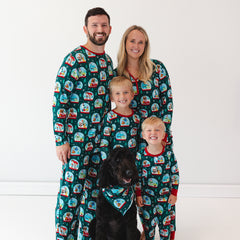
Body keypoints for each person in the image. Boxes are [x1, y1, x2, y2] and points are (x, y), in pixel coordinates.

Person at [52, 7, 113, 240]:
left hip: (101, 144)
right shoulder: (74, 59)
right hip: (76, 144)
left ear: (109, 29)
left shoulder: (108, 62)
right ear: (86, 29)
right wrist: (61, 140)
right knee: (70, 198)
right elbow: (60, 102)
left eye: (103, 25)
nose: (100, 29)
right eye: (95, 25)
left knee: (93, 198)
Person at [116, 25, 177, 238]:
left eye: (141, 42)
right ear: (125, 44)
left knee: (157, 182)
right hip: (129, 140)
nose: (136, 46)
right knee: (134, 184)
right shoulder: (117, 73)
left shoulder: (157, 69)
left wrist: (163, 135)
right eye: (132, 41)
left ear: (146, 45)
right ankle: (143, 228)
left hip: (155, 138)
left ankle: (165, 226)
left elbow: (167, 102)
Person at [78, 76, 141, 239]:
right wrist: (111, 163)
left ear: (132, 94)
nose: (122, 97)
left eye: (126, 92)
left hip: (129, 168)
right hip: (116, 168)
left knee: (129, 212)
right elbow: (104, 142)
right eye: (117, 93)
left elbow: (139, 143)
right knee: (103, 215)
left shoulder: (136, 118)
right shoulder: (110, 117)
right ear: (112, 98)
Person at [135, 117, 179, 240]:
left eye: (157, 130)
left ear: (164, 135)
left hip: (165, 198)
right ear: (143, 135)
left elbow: (175, 174)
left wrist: (174, 193)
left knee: (166, 225)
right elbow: (137, 177)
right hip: (147, 198)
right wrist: (138, 194)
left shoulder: (168, 154)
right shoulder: (140, 155)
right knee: (149, 227)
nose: (153, 133)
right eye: (149, 130)